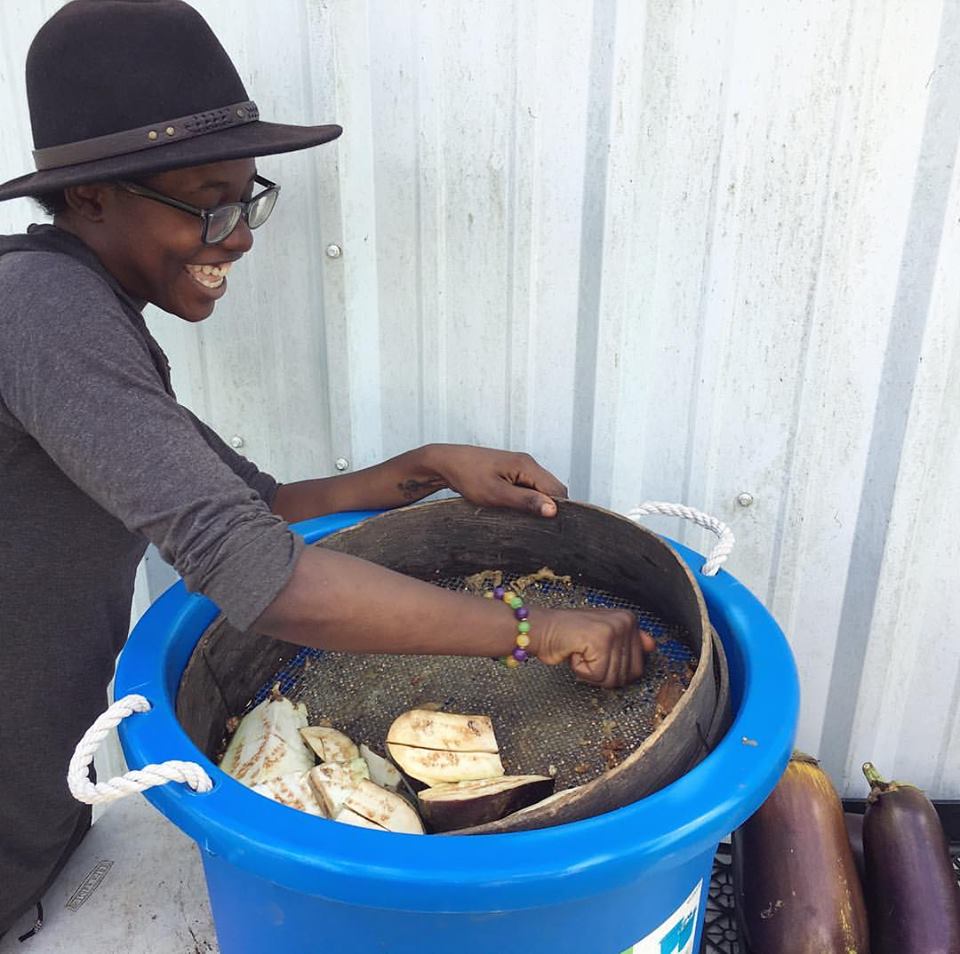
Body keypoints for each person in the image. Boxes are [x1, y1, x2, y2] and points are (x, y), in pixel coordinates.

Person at [0, 0, 655, 937]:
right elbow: (257, 571)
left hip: (40, 819)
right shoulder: (38, 309)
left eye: (251, 198)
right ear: (92, 199)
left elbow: (254, 506)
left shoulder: (80, 315)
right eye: (210, 203)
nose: (241, 236)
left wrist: (423, 468)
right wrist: (532, 627)